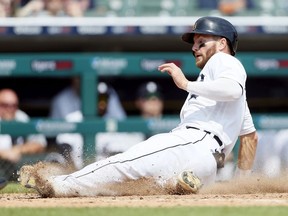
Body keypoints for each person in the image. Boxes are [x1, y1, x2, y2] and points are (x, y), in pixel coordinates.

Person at [19, 16, 258, 197]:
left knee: (124, 165)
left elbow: (232, 89)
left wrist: (185, 84)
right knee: (141, 189)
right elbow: (250, 137)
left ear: (222, 44)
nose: (194, 48)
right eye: (194, 43)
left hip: (191, 144)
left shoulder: (223, 60)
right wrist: (241, 183)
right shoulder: (228, 94)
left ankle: (57, 185)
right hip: (208, 163)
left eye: (202, 42)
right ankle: (183, 180)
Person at [47, 80, 127, 170]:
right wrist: (74, 173)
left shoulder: (113, 123)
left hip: (103, 173)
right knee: (54, 159)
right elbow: (64, 147)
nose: (102, 104)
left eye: (105, 99)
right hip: (75, 171)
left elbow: (119, 152)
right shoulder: (73, 118)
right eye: (99, 99)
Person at [0, 89, 47, 181]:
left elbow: (40, 143)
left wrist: (18, 149)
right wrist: (3, 153)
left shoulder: (21, 117)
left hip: (17, 168)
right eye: (5, 105)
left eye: (14, 105)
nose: (10, 109)